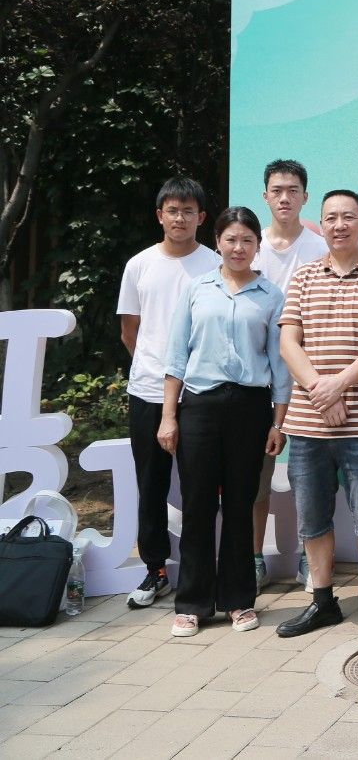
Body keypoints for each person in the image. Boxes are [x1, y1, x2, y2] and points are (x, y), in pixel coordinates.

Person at [158, 207, 289, 636]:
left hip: (250, 408)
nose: (238, 248)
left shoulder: (271, 296)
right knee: (196, 504)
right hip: (200, 406)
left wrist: (278, 422)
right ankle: (192, 603)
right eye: (231, 239)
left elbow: (279, 364)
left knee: (240, 503)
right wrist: (168, 416)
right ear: (217, 242)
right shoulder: (197, 290)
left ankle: (238, 599)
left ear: (257, 246)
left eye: (247, 240)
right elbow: (177, 356)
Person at [275, 190, 358, 641]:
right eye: (331, 218)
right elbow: (289, 342)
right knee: (312, 518)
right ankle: (323, 601)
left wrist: (338, 385)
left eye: (348, 217)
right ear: (321, 224)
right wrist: (319, 390)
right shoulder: (303, 276)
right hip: (308, 423)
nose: (339, 225)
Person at [117, 177, 221, 609]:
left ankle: (200, 574)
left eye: (188, 211)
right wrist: (159, 375)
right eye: (173, 211)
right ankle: (155, 570)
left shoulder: (216, 263)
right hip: (147, 392)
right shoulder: (139, 265)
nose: (180, 218)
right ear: (160, 216)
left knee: (201, 487)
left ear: (202, 217)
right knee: (151, 485)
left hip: (201, 393)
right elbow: (130, 331)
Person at [255, 159, 322, 592]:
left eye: (292, 190)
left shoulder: (320, 246)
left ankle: (306, 556)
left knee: (307, 474)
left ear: (304, 196)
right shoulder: (250, 244)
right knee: (257, 476)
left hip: (310, 373)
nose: (284, 197)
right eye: (277, 190)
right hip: (259, 379)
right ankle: (254, 558)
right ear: (265, 196)